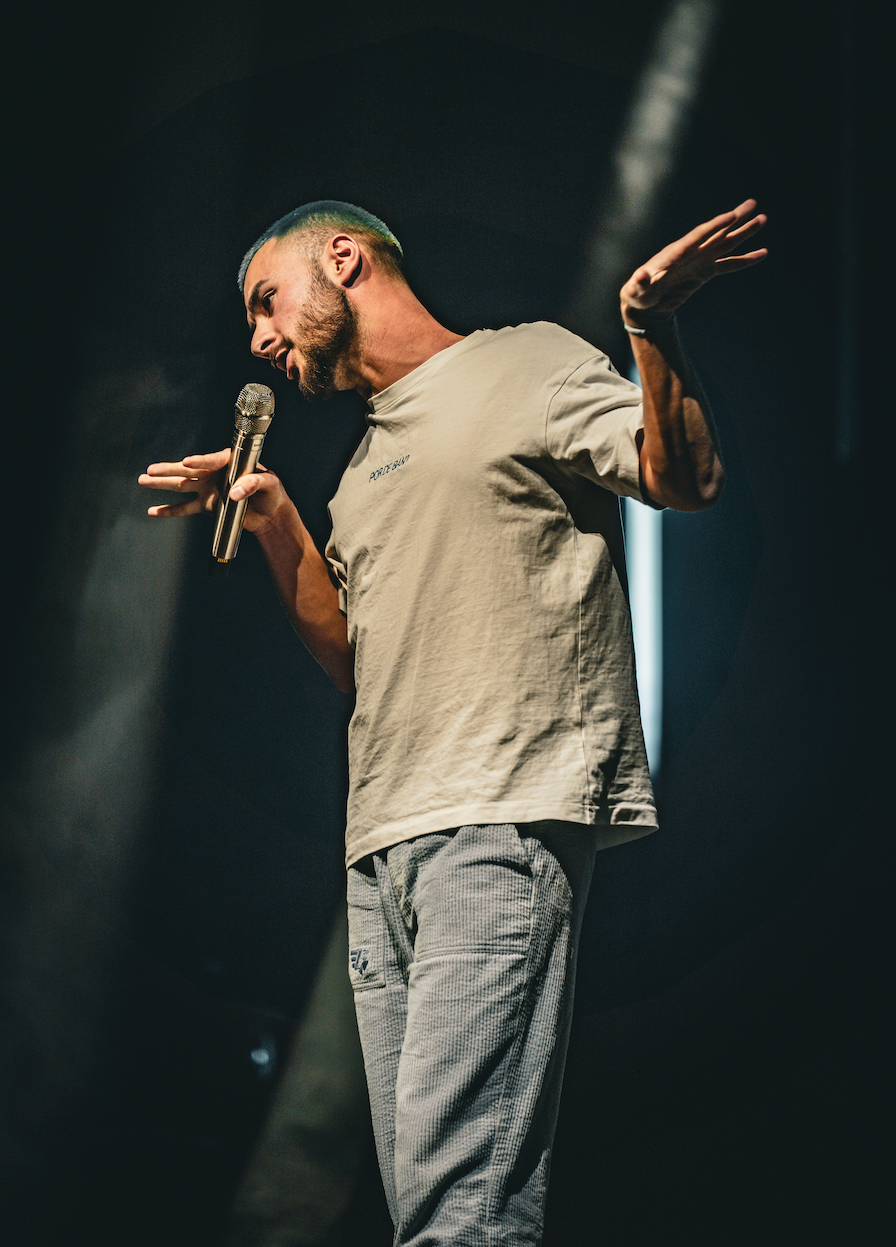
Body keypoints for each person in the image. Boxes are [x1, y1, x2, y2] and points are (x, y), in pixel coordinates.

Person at [139, 198, 766, 1245]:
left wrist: (649, 327)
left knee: (456, 1212)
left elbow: (682, 476)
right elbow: (358, 661)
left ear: (343, 259)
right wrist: (275, 517)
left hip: (498, 816)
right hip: (382, 850)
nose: (257, 338)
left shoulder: (525, 362)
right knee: (435, 1211)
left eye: (266, 301)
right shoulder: (359, 471)